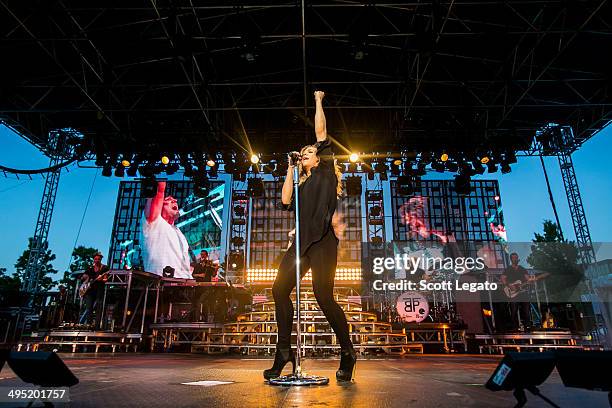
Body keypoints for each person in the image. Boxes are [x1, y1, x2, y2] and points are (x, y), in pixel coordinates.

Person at [264, 90, 356, 382]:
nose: (305, 155)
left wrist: (318, 101)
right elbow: (285, 201)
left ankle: (347, 352)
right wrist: (290, 169)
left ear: (319, 157)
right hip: (300, 244)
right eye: (302, 154)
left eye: (309, 152)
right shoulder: (300, 182)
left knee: (323, 296)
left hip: (323, 242)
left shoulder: (326, 170)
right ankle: (283, 352)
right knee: (279, 290)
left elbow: (321, 132)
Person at [140, 181, 192, 279]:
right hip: (161, 283)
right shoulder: (155, 223)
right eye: (168, 200)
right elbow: (160, 191)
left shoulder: (178, 232)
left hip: (185, 283)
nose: (175, 200)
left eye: (174, 200)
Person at [501, 252, 533, 331]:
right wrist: (509, 285)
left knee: (526, 309)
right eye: (514, 258)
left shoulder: (522, 269)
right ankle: (514, 326)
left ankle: (527, 326)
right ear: (511, 259)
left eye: (516, 257)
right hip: (513, 292)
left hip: (523, 291)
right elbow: (503, 278)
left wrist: (530, 280)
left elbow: (527, 278)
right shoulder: (508, 269)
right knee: (514, 310)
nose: (515, 259)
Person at [78, 252, 110, 326]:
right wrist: (84, 278)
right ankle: (89, 324)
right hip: (89, 290)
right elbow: (84, 277)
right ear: (93, 260)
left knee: (99, 307)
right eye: (95, 259)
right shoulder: (90, 268)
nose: (97, 260)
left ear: (101, 259)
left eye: (98, 259)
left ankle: (97, 325)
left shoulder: (105, 268)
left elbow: (106, 279)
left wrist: (101, 279)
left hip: (99, 290)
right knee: (89, 308)